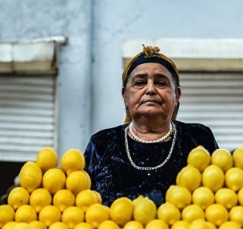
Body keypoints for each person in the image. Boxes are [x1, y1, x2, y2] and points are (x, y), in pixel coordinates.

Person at [84, 45, 219, 206]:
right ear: (125, 96)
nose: (150, 89)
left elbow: (220, 195)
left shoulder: (198, 138)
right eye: (140, 83)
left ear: (176, 96)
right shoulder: (101, 144)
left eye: (161, 83)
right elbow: (83, 204)